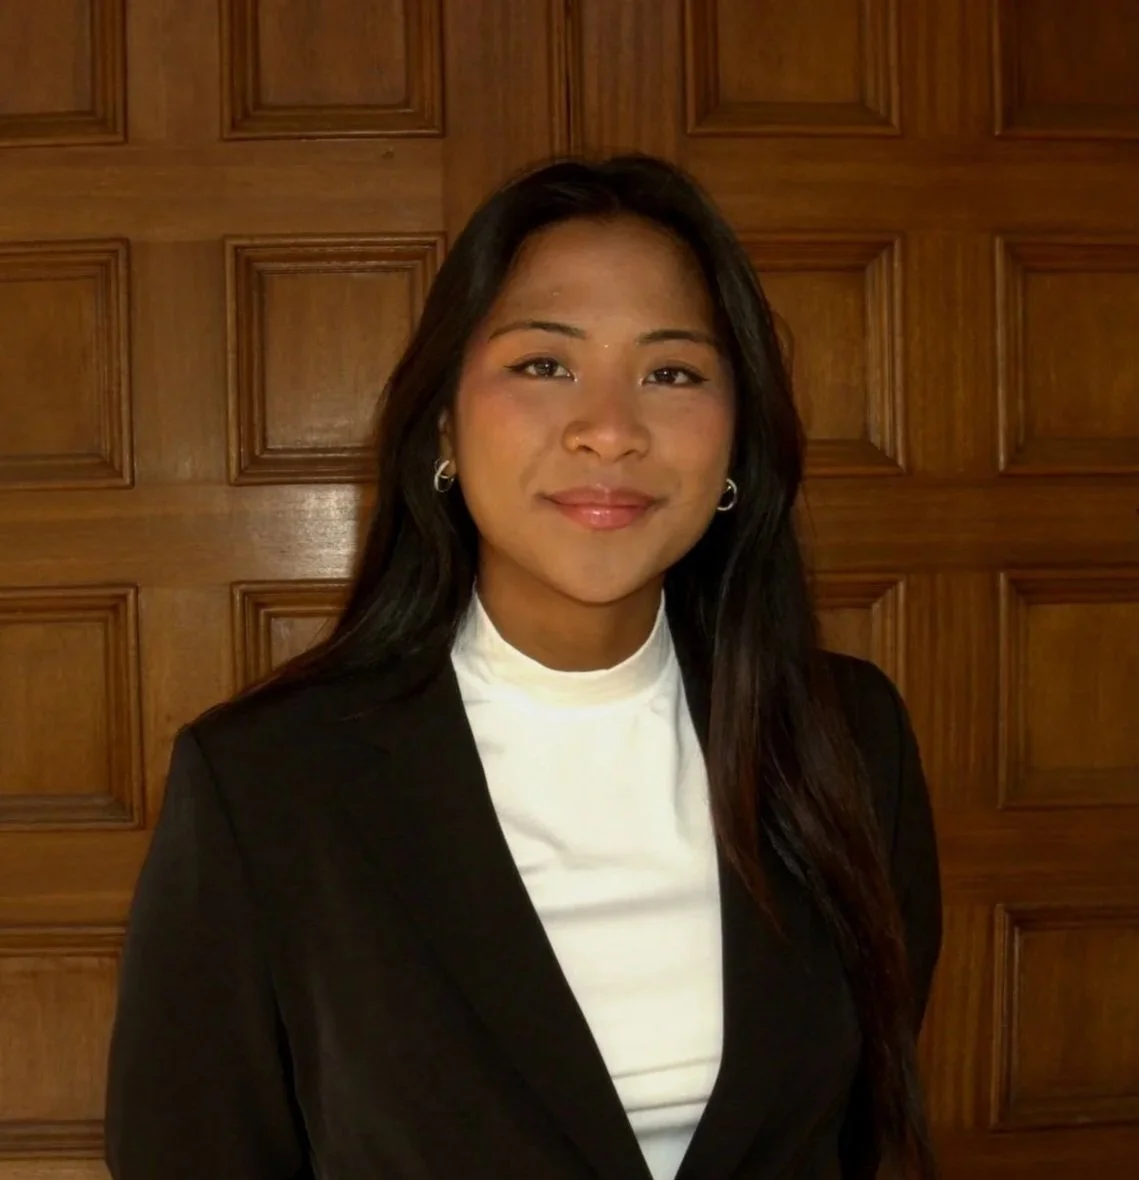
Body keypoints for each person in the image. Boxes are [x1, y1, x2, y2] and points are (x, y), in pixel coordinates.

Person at [104, 154, 941, 1180]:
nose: (608, 429)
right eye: (545, 364)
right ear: (446, 423)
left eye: (671, 372)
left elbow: (868, 1134)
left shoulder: (845, 737)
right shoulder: (271, 785)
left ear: (737, 442)